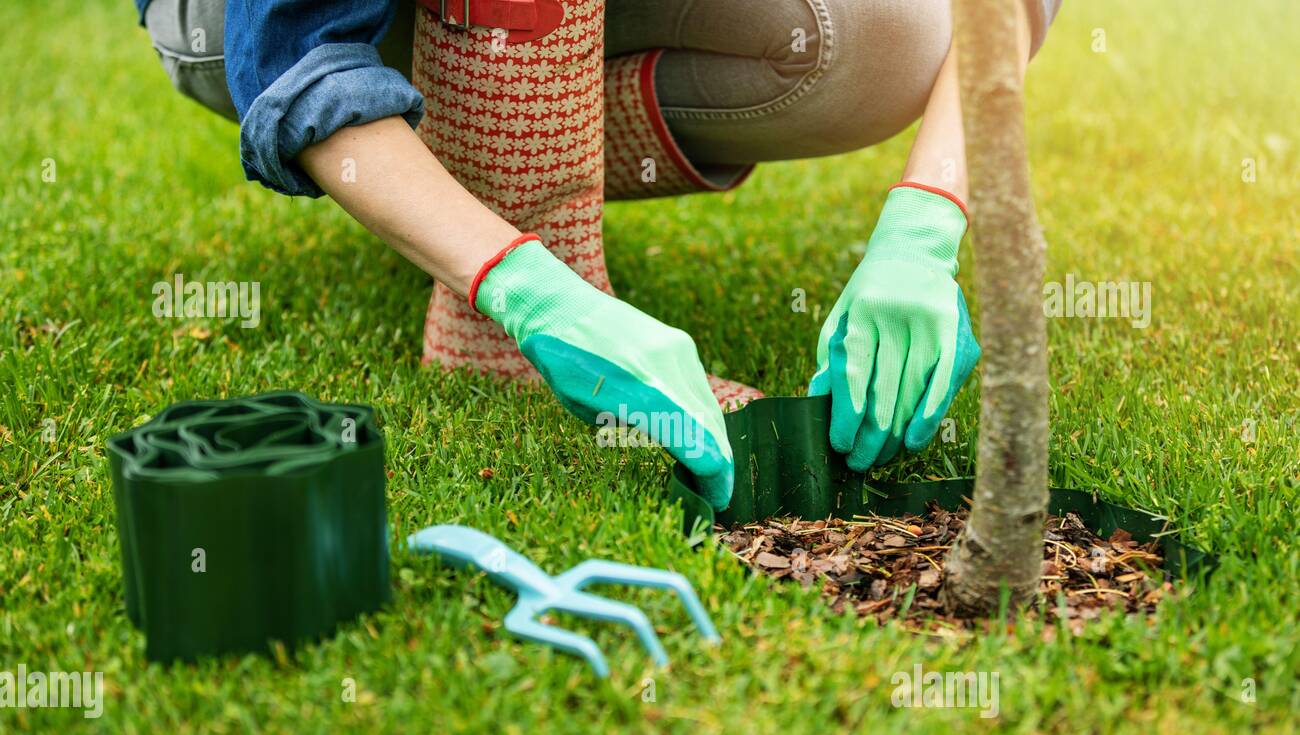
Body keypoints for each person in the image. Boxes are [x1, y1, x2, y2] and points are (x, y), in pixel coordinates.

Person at [136, 0, 1060, 509]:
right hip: (250, 24)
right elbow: (297, 55)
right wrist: (528, 289)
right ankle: (487, 262)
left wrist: (926, 227)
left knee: (888, 33)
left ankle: (448, 175)